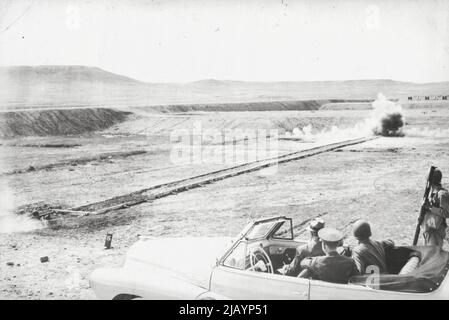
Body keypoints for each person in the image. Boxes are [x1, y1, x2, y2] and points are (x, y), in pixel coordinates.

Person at [422, 168, 449, 248]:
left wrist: (430, 207)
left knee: (433, 255)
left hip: (437, 230)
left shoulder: (442, 194)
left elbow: (447, 213)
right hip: (429, 228)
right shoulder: (431, 193)